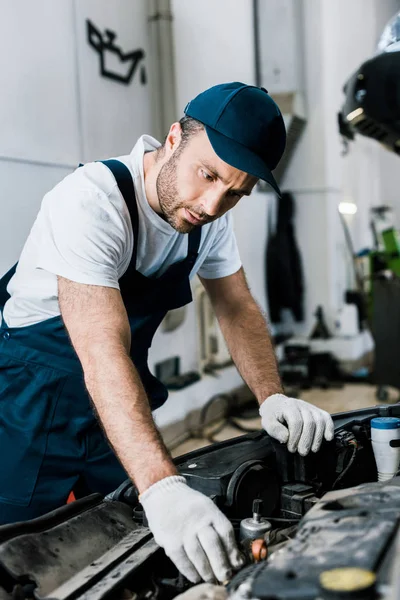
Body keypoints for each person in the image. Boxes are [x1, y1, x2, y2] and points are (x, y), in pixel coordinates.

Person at [0, 82, 334, 583]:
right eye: (209, 175)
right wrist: (161, 486)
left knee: (132, 535)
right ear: (174, 138)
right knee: (18, 555)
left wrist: (272, 397)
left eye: (235, 194)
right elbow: (100, 347)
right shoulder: (92, 201)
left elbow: (237, 306)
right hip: (32, 395)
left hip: (115, 398)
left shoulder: (208, 218)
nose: (213, 203)